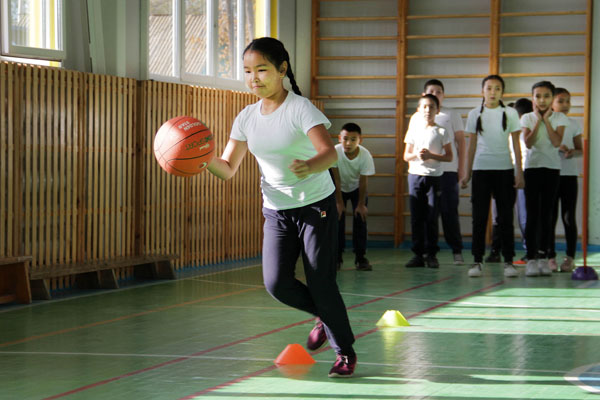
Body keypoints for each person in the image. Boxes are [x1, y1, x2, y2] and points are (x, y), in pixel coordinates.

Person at [207, 37, 356, 377]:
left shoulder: (301, 109)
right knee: (277, 283)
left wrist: (310, 166)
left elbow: (330, 154)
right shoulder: (246, 117)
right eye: (248, 71)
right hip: (276, 210)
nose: (254, 78)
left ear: (282, 69)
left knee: (321, 283)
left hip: (315, 207)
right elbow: (227, 168)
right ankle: (324, 316)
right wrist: (202, 161)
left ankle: (345, 352)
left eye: (261, 70)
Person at [460, 75, 524, 278]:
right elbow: (471, 146)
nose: (493, 92)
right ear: (482, 91)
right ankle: (477, 261)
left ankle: (508, 261)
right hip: (481, 171)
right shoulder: (474, 114)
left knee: (505, 218)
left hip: (504, 170)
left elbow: (516, 145)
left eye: (497, 88)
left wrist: (519, 172)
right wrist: (467, 173)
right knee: (479, 218)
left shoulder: (510, 113)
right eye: (489, 88)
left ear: (502, 92)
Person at [408, 80, 466, 264]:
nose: (435, 94)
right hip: (421, 172)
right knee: (423, 214)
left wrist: (462, 169)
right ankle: (423, 253)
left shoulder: (452, 114)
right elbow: (409, 148)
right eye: (431, 91)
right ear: (423, 95)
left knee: (449, 211)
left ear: (443, 95)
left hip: (447, 171)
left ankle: (456, 250)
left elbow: (461, 142)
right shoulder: (416, 117)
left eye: (439, 91)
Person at [521, 80, 568, 277]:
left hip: (552, 170)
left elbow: (556, 142)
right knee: (532, 214)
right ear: (533, 98)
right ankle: (531, 258)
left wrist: (547, 120)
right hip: (532, 169)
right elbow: (528, 142)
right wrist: (538, 121)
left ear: (552, 98)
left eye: (546, 96)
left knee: (547, 215)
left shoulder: (559, 118)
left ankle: (543, 256)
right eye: (538, 96)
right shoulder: (527, 117)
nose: (542, 100)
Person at [403, 94, 453, 269]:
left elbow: (449, 156)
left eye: (432, 107)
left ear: (437, 110)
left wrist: (431, 155)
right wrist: (417, 155)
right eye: (424, 106)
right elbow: (406, 155)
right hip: (415, 176)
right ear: (418, 110)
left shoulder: (441, 131)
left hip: (434, 178)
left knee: (431, 217)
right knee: (416, 217)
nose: (428, 110)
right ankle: (417, 254)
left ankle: (431, 254)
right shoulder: (413, 130)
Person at [486, 98, 532, 264]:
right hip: (502, 173)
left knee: (524, 215)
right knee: (499, 215)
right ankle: (495, 251)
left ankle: (530, 252)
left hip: (522, 173)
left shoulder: (526, 132)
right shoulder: (501, 130)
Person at [331, 122, 376, 271]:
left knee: (360, 220)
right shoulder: (335, 152)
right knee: (337, 221)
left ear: (360, 140)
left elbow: (363, 181)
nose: (348, 143)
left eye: (353, 139)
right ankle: (337, 257)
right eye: (345, 139)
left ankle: (361, 258)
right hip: (338, 189)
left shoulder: (365, 155)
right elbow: (336, 179)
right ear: (339, 138)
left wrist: (361, 204)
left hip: (357, 189)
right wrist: (339, 202)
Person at [547, 88, 582, 272]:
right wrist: (556, 146)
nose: (565, 105)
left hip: (569, 175)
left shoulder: (574, 124)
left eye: (568, 101)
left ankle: (570, 257)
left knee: (568, 217)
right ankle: (550, 256)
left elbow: (580, 149)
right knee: (550, 217)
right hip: (550, 174)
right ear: (552, 103)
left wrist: (572, 152)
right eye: (561, 101)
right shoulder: (546, 123)